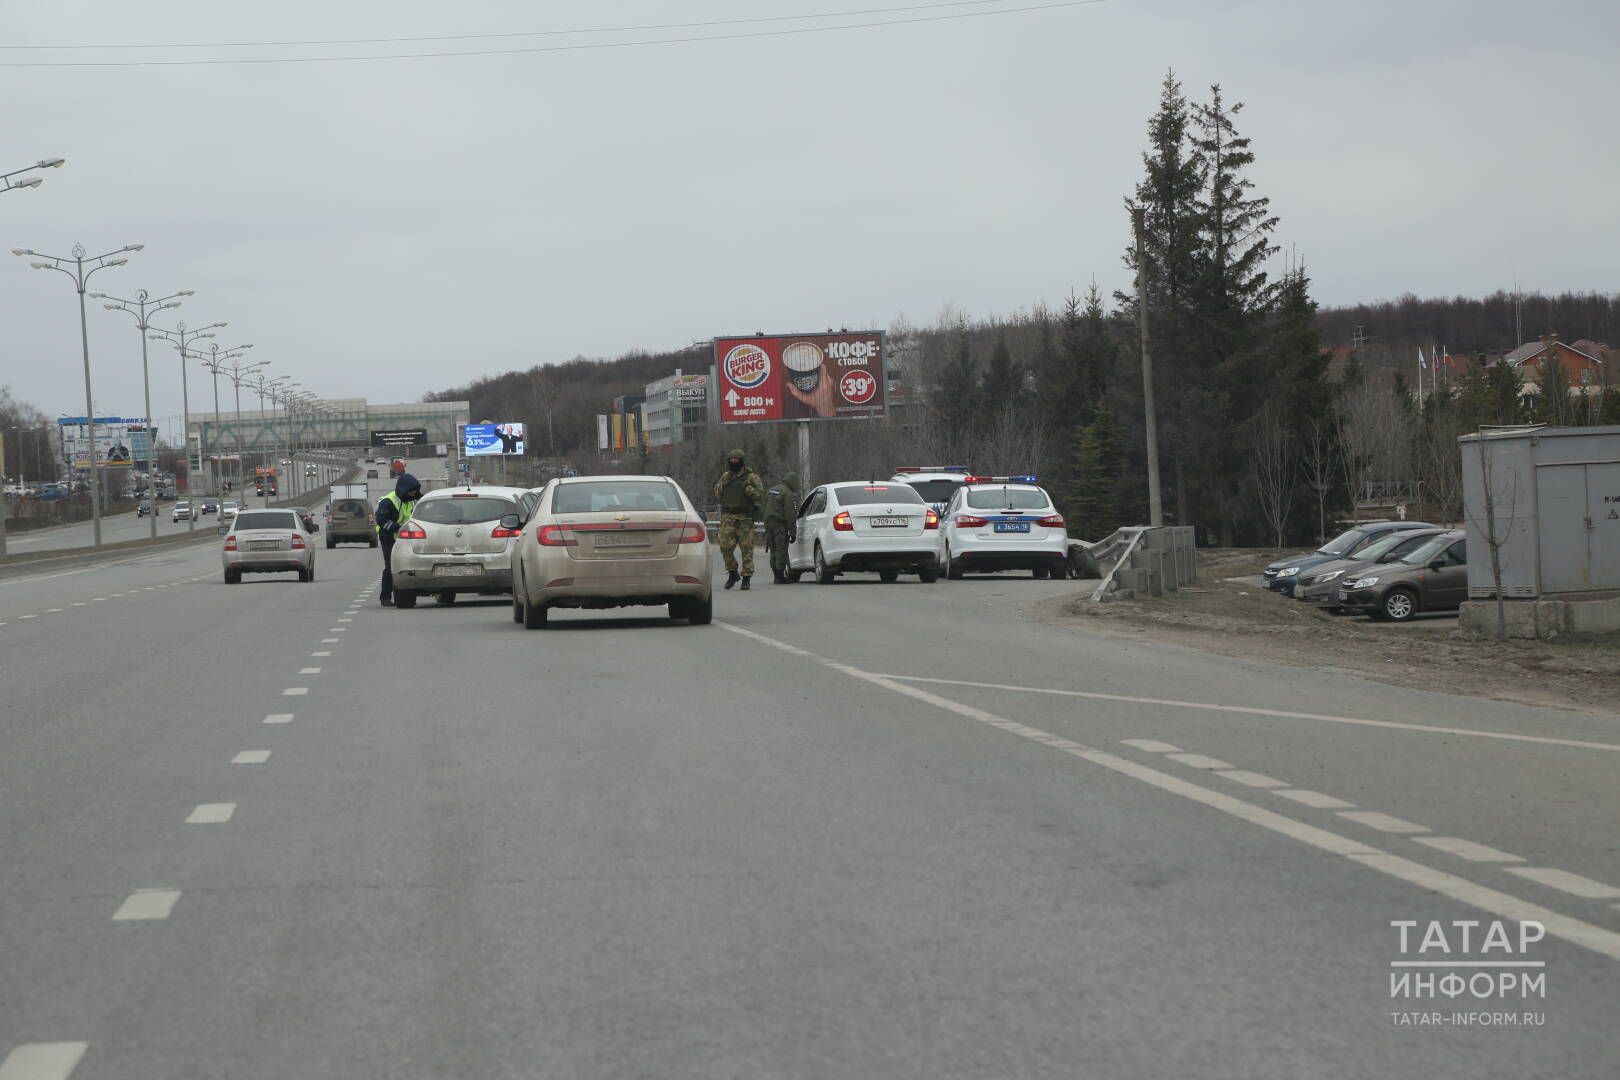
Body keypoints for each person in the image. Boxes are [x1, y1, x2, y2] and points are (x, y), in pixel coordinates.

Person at [711, 448, 764, 590]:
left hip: (745, 518)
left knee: (747, 549)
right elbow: (717, 492)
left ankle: (746, 577)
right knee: (724, 546)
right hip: (728, 517)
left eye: (736, 460)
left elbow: (760, 494)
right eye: (731, 460)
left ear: (742, 461)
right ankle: (733, 572)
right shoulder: (726, 476)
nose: (734, 462)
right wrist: (721, 486)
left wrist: (748, 490)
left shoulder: (751, 477)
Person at [374, 471, 422, 607]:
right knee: (391, 566)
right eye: (411, 492)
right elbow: (381, 520)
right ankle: (385, 597)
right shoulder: (388, 502)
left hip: (407, 539)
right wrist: (397, 528)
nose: (413, 495)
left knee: (408, 567)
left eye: (414, 492)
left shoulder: (412, 500)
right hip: (388, 538)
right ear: (404, 490)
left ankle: (405, 595)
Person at [761, 471, 800, 584]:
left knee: (773, 550)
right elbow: (790, 515)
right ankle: (779, 577)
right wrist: (793, 533)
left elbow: (764, 507)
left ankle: (776, 575)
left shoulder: (772, 490)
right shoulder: (788, 494)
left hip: (768, 524)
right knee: (781, 550)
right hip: (780, 525)